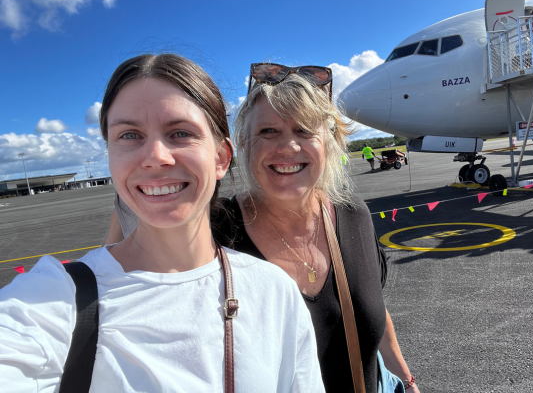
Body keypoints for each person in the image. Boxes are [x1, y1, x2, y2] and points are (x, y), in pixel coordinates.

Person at [0, 54, 324, 392]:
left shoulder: (274, 292)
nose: (156, 156)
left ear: (221, 158)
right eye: (129, 135)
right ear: (110, 155)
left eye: (180, 132)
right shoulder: (53, 299)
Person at [105, 62, 420, 393]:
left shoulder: (354, 216)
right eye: (268, 132)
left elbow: (373, 310)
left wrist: (407, 380)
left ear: (329, 141)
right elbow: (118, 293)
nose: (288, 147)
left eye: (304, 130)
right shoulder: (209, 230)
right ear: (242, 143)